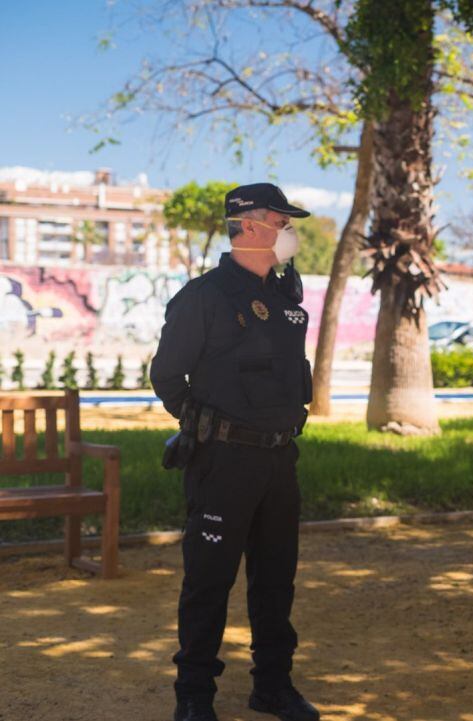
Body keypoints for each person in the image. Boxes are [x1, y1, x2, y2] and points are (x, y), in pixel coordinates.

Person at [151, 183, 319, 721]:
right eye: (281, 220)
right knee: (209, 581)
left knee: (275, 580)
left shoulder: (285, 297)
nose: (289, 231)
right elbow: (166, 375)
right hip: (222, 463)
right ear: (248, 225)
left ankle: (272, 685)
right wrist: (204, 424)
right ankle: (194, 695)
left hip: (278, 461)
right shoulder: (203, 296)